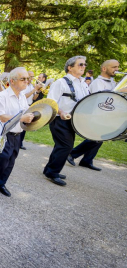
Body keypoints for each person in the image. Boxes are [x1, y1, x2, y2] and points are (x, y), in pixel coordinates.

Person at [0, 67, 34, 197]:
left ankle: (1, 183)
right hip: (4, 133)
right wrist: (21, 118)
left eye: (27, 79)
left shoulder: (22, 96)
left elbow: (26, 111)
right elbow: (0, 116)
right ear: (12, 81)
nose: (26, 81)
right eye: (23, 79)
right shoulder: (2, 96)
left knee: (11, 160)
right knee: (2, 159)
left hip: (18, 133)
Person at [43, 56, 90, 186]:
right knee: (66, 146)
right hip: (60, 119)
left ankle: (49, 169)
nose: (83, 66)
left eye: (84, 64)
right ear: (70, 67)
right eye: (80, 64)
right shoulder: (61, 82)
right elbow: (50, 102)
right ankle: (52, 173)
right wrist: (61, 112)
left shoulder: (83, 84)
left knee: (61, 146)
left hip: (73, 121)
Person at [67, 59, 120, 171]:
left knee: (100, 139)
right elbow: (100, 101)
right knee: (96, 138)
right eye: (114, 67)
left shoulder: (112, 82)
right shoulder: (97, 82)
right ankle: (72, 154)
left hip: (106, 115)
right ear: (104, 68)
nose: (117, 69)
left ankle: (87, 160)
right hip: (96, 115)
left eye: (117, 67)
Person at [19, 70, 43, 150]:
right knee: (20, 126)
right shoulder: (23, 85)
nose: (32, 78)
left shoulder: (31, 86)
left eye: (33, 76)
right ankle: (18, 142)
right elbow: (24, 96)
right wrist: (34, 89)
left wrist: (37, 92)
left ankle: (20, 142)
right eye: (31, 76)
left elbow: (34, 98)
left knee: (25, 126)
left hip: (29, 106)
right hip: (22, 107)